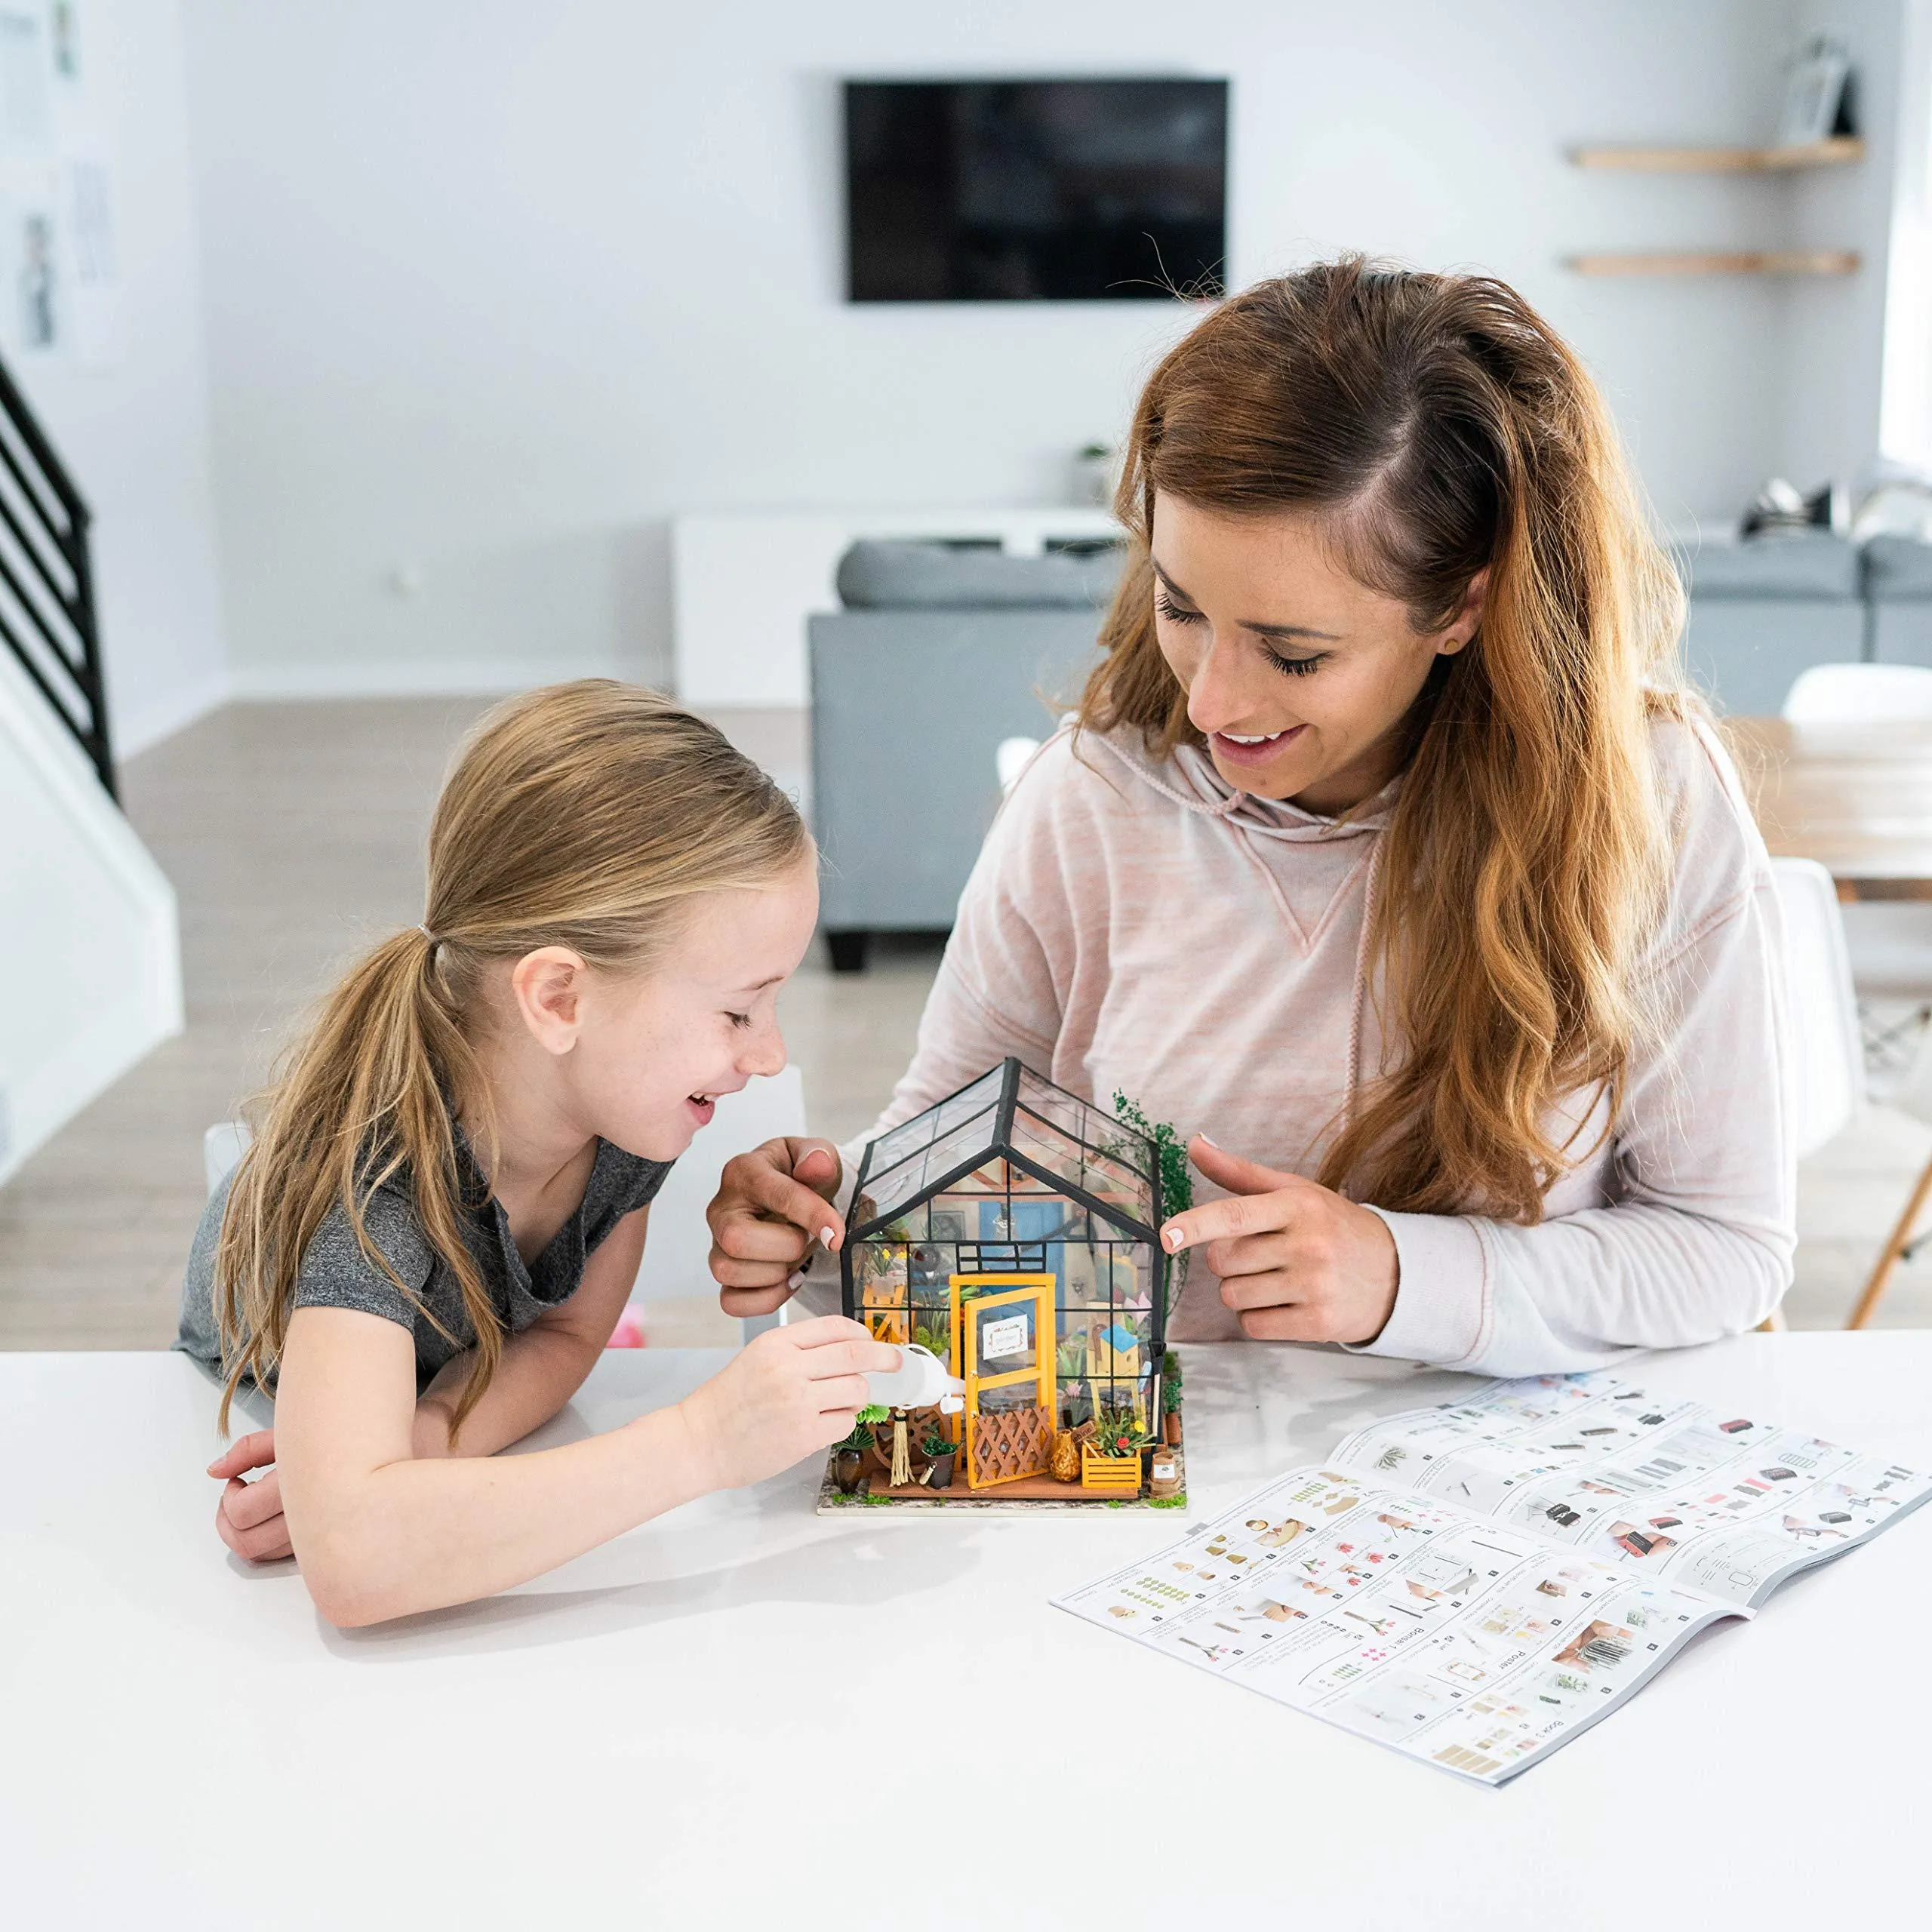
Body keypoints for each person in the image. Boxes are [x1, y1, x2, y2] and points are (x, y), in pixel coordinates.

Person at [709, 258, 1793, 1375]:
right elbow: (952, 1154)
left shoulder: (1651, 801)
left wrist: (1398, 1275)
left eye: (1294, 652)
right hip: (1178, 1472)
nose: (1211, 703)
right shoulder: (1090, 797)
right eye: (1183, 608)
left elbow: (1725, 1248)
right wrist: (824, 1231)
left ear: (1464, 604)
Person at [177, 681, 896, 1626]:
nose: (770, 1054)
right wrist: (701, 1442)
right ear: (559, 999)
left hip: (436, 1360)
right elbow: (352, 1564)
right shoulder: (376, 1191)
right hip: (231, 1379)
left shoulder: (626, 1119)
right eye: (735, 1010)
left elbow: (559, 1334)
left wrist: (427, 1443)